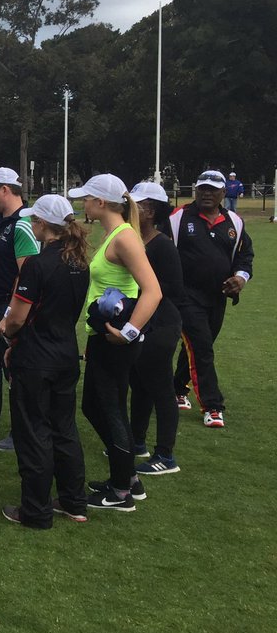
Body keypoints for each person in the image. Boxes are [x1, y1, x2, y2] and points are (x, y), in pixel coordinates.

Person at [68, 174, 161, 511]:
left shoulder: (124, 238)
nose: (83, 203)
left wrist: (130, 332)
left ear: (101, 202)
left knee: (109, 409)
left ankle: (121, 490)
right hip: (103, 337)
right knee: (95, 407)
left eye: (87, 198)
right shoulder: (115, 234)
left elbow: (153, 290)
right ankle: (128, 477)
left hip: (116, 340)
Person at [0, 195, 90, 529]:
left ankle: (35, 511)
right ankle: (73, 500)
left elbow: (18, 317)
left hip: (36, 358)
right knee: (64, 429)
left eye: (34, 220)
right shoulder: (79, 262)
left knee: (33, 432)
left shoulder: (38, 264)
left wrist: (7, 332)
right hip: (65, 353)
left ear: (42, 224)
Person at [169, 169, 254, 427]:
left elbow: (245, 256)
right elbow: (162, 250)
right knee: (202, 347)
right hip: (185, 296)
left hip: (217, 297)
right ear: (196, 191)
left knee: (197, 346)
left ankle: (177, 388)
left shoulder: (234, 222)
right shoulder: (179, 217)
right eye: (202, 189)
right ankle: (213, 406)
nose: (207, 193)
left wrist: (240, 278)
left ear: (223, 192)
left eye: (213, 189)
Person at [0, 167, 40, 450]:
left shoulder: (22, 222)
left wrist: (11, 313)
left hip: (6, 306)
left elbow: (26, 275)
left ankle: (21, 432)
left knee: (14, 370)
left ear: (4, 189)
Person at [126, 182, 185, 475]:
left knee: (161, 388)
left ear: (149, 211)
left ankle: (165, 455)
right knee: (139, 383)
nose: (129, 209)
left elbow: (173, 289)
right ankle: (137, 441)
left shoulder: (162, 246)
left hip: (160, 324)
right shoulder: (135, 240)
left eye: (136, 205)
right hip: (142, 322)